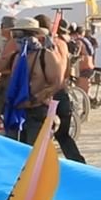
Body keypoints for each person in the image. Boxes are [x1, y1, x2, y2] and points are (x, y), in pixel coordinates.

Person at [0, 17, 65, 146]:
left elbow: (56, 83)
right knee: (16, 154)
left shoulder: (46, 55)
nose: (19, 39)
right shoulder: (15, 56)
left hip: (37, 112)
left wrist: (34, 99)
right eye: (16, 35)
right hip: (16, 111)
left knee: (35, 156)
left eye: (24, 34)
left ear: (35, 35)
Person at [35, 14, 86, 163]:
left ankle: (45, 169)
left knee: (43, 136)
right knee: (63, 135)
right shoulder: (62, 43)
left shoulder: (47, 45)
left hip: (51, 93)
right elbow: (68, 67)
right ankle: (79, 164)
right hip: (62, 90)